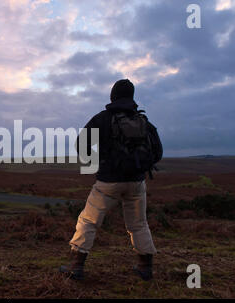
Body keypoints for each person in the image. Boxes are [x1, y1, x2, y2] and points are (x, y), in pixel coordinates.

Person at [60, 79, 163, 281]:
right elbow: (158, 152)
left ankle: (76, 267)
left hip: (108, 182)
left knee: (88, 221)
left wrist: (99, 162)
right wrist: (140, 167)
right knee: (139, 224)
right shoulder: (144, 122)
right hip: (137, 182)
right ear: (132, 97)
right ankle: (145, 268)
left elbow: (81, 144)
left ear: (112, 96)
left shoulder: (102, 119)